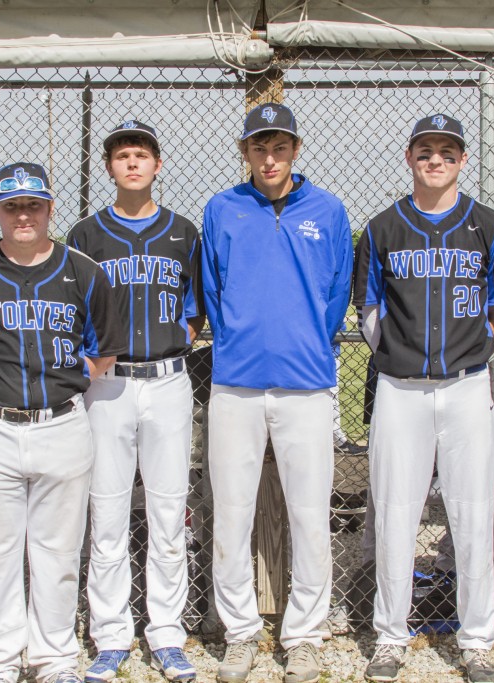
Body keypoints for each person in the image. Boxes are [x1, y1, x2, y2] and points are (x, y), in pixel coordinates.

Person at [0, 162, 126, 683]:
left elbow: (105, 346)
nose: (23, 214)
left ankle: (54, 657)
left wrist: (76, 373)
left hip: (61, 423)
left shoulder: (82, 271)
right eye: (12, 205)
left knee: (58, 553)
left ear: (49, 209)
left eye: (32, 205)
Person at [351, 113, 494, 683]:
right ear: (409, 156)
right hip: (401, 390)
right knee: (396, 511)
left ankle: (476, 641)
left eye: (448, 150)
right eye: (426, 150)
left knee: (472, 512)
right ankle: (390, 637)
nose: (436, 159)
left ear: (463, 159)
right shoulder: (382, 227)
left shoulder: (490, 227)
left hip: (468, 387)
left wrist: (469, 352)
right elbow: (369, 311)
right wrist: (402, 355)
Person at [201, 102, 353, 683]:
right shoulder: (223, 208)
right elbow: (213, 289)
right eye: (260, 147)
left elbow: (338, 290)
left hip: (306, 383)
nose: (270, 157)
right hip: (236, 382)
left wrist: (308, 339)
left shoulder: (328, 209)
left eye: (280, 147)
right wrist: (240, 337)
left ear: (295, 150)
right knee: (232, 514)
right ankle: (240, 632)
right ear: (246, 152)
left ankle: (304, 635)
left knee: (310, 514)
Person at [66, 120, 204, 683]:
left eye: (141, 154)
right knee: (108, 510)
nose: (132, 163)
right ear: (109, 167)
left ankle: (167, 633)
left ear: (157, 164)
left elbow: (196, 310)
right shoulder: (86, 235)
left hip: (168, 380)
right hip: (108, 384)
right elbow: (69, 308)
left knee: (170, 510)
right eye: (122, 155)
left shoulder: (183, 232)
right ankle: (111, 633)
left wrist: (173, 345)